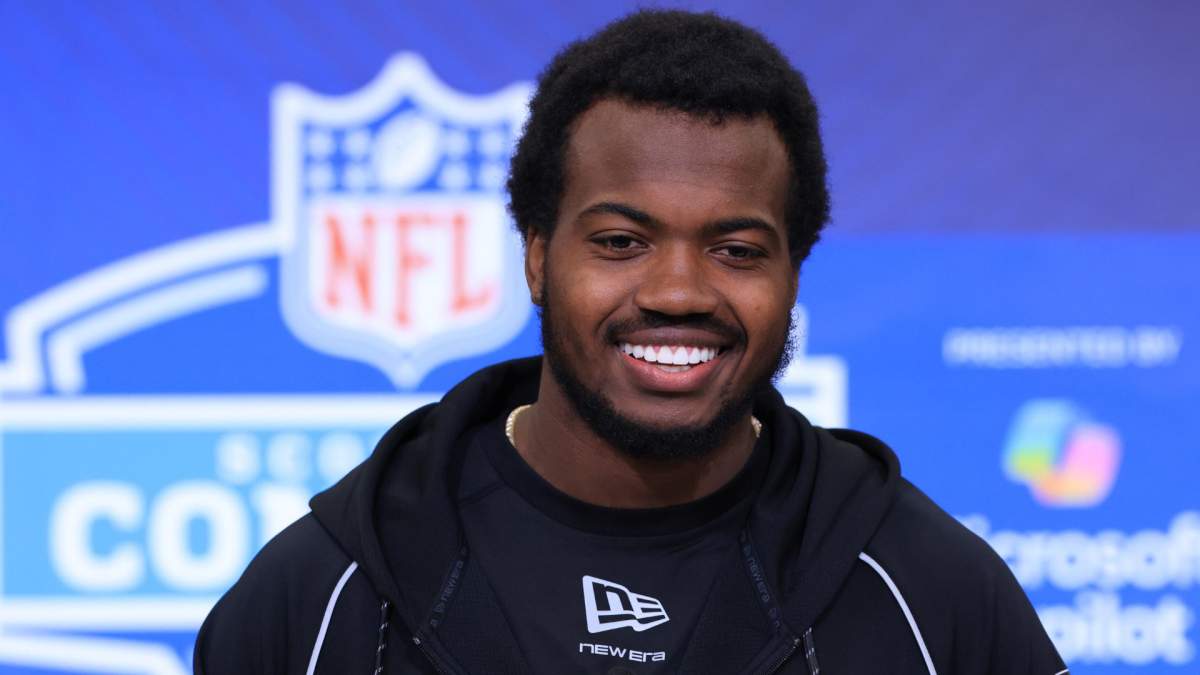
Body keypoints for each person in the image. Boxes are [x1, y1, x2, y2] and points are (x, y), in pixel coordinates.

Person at [195, 10, 1067, 674]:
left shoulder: (933, 590)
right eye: (621, 241)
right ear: (537, 257)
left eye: (736, 250)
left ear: (794, 272)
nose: (678, 291)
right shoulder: (321, 593)